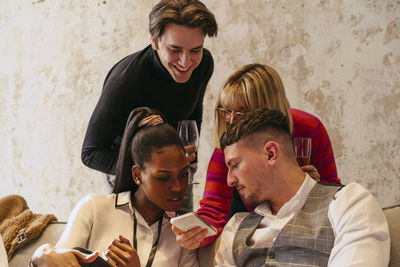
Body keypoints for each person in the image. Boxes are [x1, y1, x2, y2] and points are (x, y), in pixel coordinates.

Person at [173, 63, 342, 249]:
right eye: (225, 111)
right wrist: (195, 235)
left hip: (306, 228)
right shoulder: (226, 148)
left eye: (241, 112)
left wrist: (313, 188)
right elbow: (214, 210)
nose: (230, 119)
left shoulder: (309, 129)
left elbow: (333, 190)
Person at [214, 108, 390, 266]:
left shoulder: (348, 203)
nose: (229, 180)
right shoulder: (236, 228)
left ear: (270, 154)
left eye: (235, 165)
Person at [30, 107, 198, 267]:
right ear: (137, 175)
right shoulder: (94, 208)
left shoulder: (185, 236)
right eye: (163, 178)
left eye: (183, 175)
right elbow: (57, 260)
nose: (177, 187)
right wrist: (41, 255)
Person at [81, 0, 218, 190]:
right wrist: (152, 170)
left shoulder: (203, 65)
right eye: (175, 49)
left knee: (180, 220)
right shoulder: (124, 83)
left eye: (195, 50)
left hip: (176, 163)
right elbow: (91, 153)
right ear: (154, 41)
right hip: (130, 172)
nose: (186, 62)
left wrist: (187, 164)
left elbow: (194, 110)